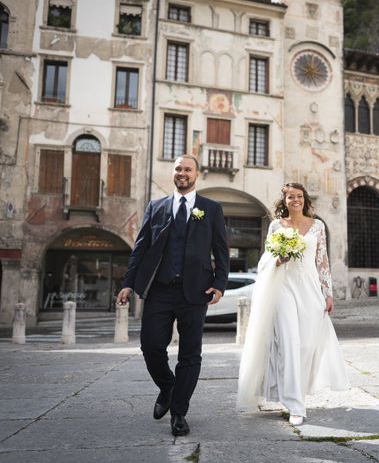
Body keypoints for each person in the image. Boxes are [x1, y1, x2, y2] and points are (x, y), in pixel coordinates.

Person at [116, 155, 229, 437]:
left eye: (187, 169)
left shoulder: (211, 209)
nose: (182, 173)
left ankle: (178, 412)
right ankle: (168, 387)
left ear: (197, 174)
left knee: (190, 354)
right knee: (151, 346)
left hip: (196, 291)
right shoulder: (156, 207)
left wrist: (220, 283)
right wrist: (128, 283)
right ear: (173, 173)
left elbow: (221, 250)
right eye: (178, 169)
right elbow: (140, 248)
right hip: (160, 290)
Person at [237, 183, 349, 426]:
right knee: (288, 342)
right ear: (284, 201)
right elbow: (266, 258)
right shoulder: (277, 225)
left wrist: (328, 292)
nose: (295, 200)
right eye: (290, 197)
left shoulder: (317, 225)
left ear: (304, 199)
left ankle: (292, 390)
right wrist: (279, 258)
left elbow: (323, 261)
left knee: (306, 345)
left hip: (309, 288)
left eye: (299, 196)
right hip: (283, 288)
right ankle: (295, 405)